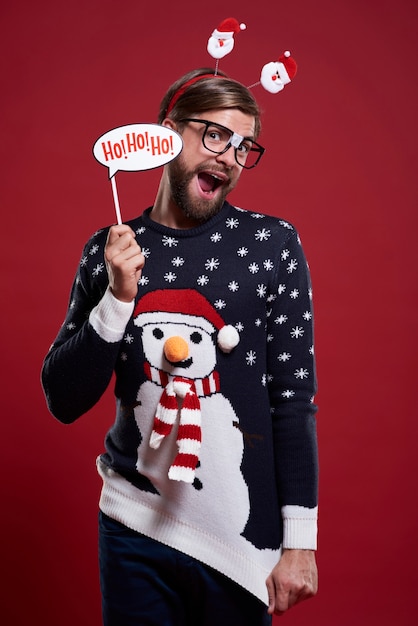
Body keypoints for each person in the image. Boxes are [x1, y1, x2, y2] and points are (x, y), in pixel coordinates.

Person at [41, 66, 319, 625]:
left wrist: (301, 541)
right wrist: (118, 300)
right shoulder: (111, 249)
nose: (227, 156)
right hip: (133, 529)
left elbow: (292, 400)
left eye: (243, 147)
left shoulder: (273, 245)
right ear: (169, 133)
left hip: (240, 545)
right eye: (214, 135)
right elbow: (63, 398)